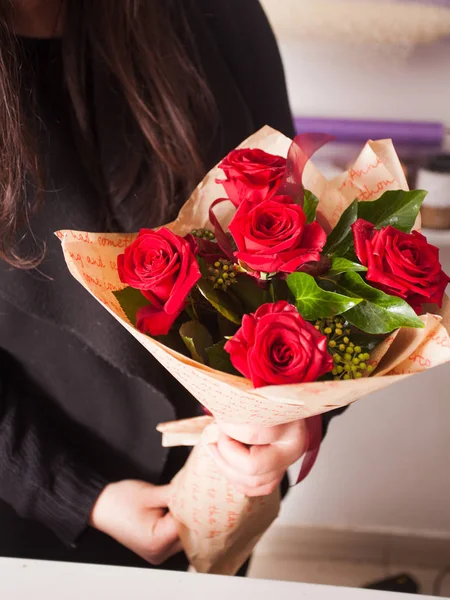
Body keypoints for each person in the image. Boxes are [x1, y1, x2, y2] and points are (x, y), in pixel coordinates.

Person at [0, 0, 344, 572]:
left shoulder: (216, 16)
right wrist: (77, 493)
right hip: (31, 510)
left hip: (223, 492)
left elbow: (302, 250)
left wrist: (298, 420)